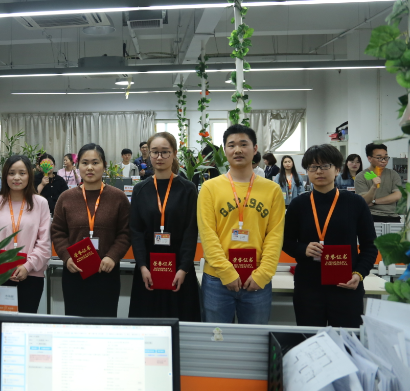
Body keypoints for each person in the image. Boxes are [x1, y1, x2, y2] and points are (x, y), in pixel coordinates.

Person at [197, 124, 285, 324]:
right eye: (231, 145)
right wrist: (226, 272)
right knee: (217, 337)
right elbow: (208, 234)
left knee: (255, 339)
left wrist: (263, 274)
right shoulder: (210, 188)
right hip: (217, 280)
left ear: (255, 149)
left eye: (243, 144)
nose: (237, 150)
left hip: (257, 279)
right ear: (225, 150)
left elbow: (275, 235)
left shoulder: (272, 190)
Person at [282, 145, 377, 327]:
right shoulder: (298, 204)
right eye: (313, 167)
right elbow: (285, 241)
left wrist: (359, 274)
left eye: (325, 166)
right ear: (307, 171)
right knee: (309, 338)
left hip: (346, 285)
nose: (319, 171)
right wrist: (303, 249)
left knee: (346, 339)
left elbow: (370, 245)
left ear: (337, 169)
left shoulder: (355, 203)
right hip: (309, 288)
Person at [50, 143, 131, 317]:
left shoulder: (118, 197)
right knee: (75, 323)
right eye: (85, 163)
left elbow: (125, 232)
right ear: (78, 166)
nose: (90, 168)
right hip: (75, 272)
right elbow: (58, 232)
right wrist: (67, 257)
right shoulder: (66, 198)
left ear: (104, 165)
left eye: (95, 162)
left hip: (106, 272)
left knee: (105, 323)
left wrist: (112, 256)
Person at [128, 132, 200, 321]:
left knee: (180, 323)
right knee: (147, 323)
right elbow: (135, 231)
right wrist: (142, 266)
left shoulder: (188, 189)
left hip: (179, 269)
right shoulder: (140, 189)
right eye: (155, 152)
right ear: (148, 154)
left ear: (174, 153)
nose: (159, 157)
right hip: (148, 269)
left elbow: (191, 231)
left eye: (165, 152)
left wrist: (183, 268)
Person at [0, 155, 51, 313]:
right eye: (11, 173)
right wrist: (0, 264)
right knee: (0, 323)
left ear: (29, 175)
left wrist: (27, 266)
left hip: (31, 275)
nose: (16, 177)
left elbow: (44, 242)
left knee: (25, 322)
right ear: (5, 176)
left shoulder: (40, 203)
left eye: (22, 173)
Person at [355, 143, 403, 223]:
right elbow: (364, 201)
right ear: (369, 158)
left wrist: (374, 201)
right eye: (379, 158)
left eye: (386, 157)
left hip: (392, 216)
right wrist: (374, 187)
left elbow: (397, 195)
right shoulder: (361, 176)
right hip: (370, 216)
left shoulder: (393, 174)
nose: (384, 161)